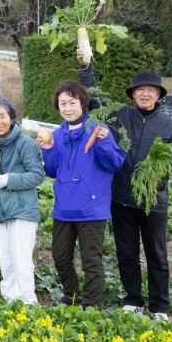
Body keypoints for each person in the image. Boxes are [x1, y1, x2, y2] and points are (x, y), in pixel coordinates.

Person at [78, 51, 172, 320]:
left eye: (150, 90)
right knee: (126, 252)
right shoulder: (120, 116)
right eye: (140, 90)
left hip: (153, 202)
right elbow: (95, 98)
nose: (145, 94)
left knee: (156, 254)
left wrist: (154, 179)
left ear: (158, 95)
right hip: (121, 198)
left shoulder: (170, 125)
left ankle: (159, 306)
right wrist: (85, 66)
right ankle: (133, 300)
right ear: (133, 94)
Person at [36, 81, 125, 308]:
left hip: (91, 208)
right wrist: (47, 150)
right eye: (62, 103)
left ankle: (92, 305)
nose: (67, 108)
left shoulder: (98, 131)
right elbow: (53, 170)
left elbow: (115, 163)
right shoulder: (57, 134)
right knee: (60, 256)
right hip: (64, 207)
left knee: (91, 260)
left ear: (83, 104)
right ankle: (72, 297)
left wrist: (104, 142)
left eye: (72, 103)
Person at [0, 96, 44, 304]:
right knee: (5, 260)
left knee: (21, 260)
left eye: (2, 116)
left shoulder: (25, 144)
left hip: (21, 209)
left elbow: (37, 175)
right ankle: (11, 302)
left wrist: (9, 179)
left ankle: (28, 303)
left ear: (12, 117)